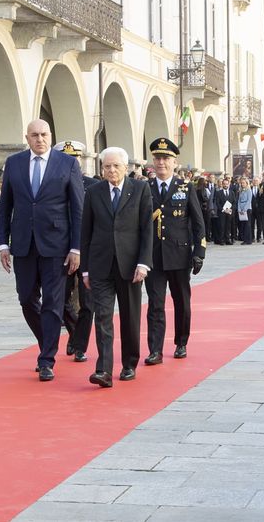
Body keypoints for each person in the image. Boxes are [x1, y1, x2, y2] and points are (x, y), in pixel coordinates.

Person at [0, 119, 84, 381]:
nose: (39, 139)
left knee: (53, 303)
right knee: (26, 298)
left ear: (50, 135)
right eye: (34, 135)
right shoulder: (14, 163)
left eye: (44, 134)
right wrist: (2, 242)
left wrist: (76, 248)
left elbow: (78, 209)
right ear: (27, 138)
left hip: (57, 245)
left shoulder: (67, 163)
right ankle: (48, 339)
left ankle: (46, 359)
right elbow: (5, 207)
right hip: (23, 244)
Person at [81, 147, 152, 388]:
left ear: (126, 167)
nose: (111, 170)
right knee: (102, 318)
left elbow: (146, 230)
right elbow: (86, 232)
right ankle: (103, 370)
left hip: (130, 265)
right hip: (101, 266)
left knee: (130, 317)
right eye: (106, 166)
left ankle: (129, 363)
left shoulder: (140, 189)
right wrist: (86, 269)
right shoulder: (93, 192)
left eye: (115, 166)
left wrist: (143, 263)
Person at [144, 137, 206, 365]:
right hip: (153, 256)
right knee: (155, 303)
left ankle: (181, 341)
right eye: (157, 158)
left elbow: (198, 222)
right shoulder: (145, 187)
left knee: (181, 301)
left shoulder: (186, 187)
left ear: (174, 162)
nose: (161, 163)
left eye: (166, 158)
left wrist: (199, 252)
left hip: (180, 255)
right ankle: (155, 350)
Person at [53, 140, 97, 362]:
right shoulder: (53, 184)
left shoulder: (93, 185)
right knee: (59, 299)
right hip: (61, 250)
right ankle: (74, 333)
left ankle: (80, 346)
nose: (73, 163)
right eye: (67, 158)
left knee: (88, 303)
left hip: (89, 250)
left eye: (76, 158)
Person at [213, 177, 234, 245]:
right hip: (222, 212)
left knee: (228, 226)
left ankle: (227, 239)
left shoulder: (232, 192)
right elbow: (217, 203)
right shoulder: (219, 193)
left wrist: (231, 209)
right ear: (222, 184)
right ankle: (221, 240)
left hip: (229, 212)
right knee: (222, 226)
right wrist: (223, 209)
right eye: (224, 184)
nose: (225, 185)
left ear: (229, 184)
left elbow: (234, 202)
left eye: (226, 184)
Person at [237, 177, 253, 244]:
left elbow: (249, 201)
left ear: (247, 183)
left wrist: (244, 209)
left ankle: (248, 240)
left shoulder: (249, 190)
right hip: (241, 209)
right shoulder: (241, 190)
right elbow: (239, 201)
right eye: (241, 183)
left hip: (247, 209)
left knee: (247, 225)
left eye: (243, 183)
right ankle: (244, 238)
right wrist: (239, 209)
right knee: (243, 225)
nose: (242, 184)